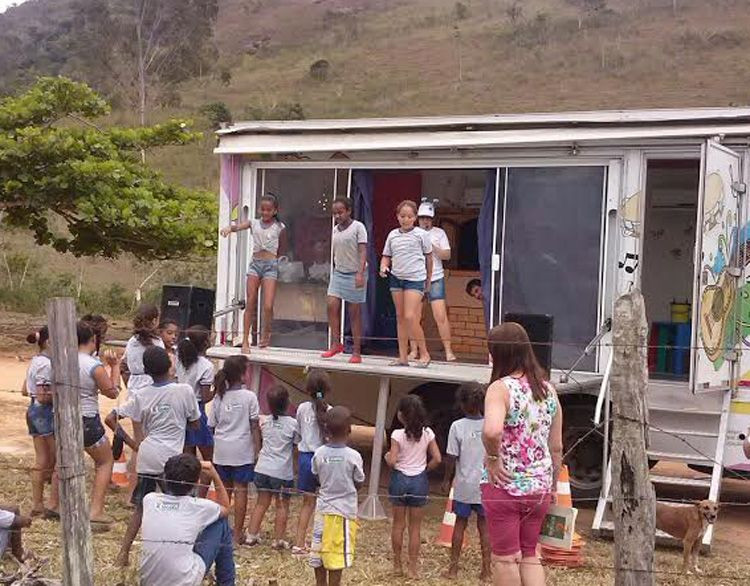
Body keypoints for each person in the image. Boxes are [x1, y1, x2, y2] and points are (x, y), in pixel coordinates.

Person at [481, 322, 563, 586]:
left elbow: (492, 431)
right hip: (538, 486)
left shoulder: (500, 388)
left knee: (505, 558)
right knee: (530, 554)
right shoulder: (548, 390)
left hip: (504, 484)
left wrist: (493, 458)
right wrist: (551, 486)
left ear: (501, 353)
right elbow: (557, 445)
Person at [108, 346, 201, 567]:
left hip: (149, 454)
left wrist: (134, 444)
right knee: (184, 504)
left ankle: (124, 553)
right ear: (170, 367)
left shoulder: (142, 395)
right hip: (174, 459)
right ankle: (186, 551)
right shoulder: (184, 391)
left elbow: (111, 418)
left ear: (147, 371)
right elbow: (195, 423)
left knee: (142, 506)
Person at [140, 454, 235, 586]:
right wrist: (214, 475)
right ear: (196, 483)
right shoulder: (199, 506)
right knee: (221, 522)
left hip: (149, 580)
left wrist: (179, 469)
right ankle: (227, 583)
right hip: (185, 581)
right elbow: (226, 508)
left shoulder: (149, 499)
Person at [220, 192, 288, 353]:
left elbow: (283, 249)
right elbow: (239, 226)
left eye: (268, 210)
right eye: (262, 209)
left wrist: (279, 263)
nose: (265, 213)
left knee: (268, 305)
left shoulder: (280, 227)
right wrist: (229, 228)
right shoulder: (254, 223)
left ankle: (267, 332)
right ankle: (245, 340)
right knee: (250, 301)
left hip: (271, 265)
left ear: (275, 211)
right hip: (255, 265)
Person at [385, 395, 441, 578]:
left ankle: (397, 565)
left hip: (400, 479)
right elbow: (437, 459)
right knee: (415, 528)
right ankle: (413, 568)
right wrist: (424, 469)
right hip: (419, 480)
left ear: (401, 416)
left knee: (398, 525)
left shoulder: (397, 435)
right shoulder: (428, 433)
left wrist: (387, 457)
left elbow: (392, 461)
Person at [309, 406, 365, 586]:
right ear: (349, 430)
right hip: (344, 513)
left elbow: (316, 476)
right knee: (336, 557)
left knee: (319, 553)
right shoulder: (353, 456)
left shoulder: (319, 453)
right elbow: (359, 481)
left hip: (322, 511)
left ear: (326, 430)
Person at [208, 355, 261, 544]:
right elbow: (254, 426)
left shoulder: (218, 397)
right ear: (241, 374)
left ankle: (219, 531)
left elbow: (212, 425)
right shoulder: (249, 397)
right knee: (241, 491)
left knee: (224, 491)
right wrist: (258, 450)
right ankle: (237, 533)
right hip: (242, 451)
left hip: (222, 451)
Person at [441, 382, 490, 580]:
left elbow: (452, 457)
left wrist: (446, 479)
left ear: (461, 403)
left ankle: (453, 569)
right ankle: (486, 571)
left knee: (459, 524)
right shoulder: (490, 425)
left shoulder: (457, 427)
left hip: (463, 485)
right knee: (484, 527)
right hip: (486, 485)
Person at [379, 200, 433, 368]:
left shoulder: (421, 235)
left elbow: (429, 258)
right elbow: (386, 255)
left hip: (415, 279)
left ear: (415, 217)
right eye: (402, 216)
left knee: (410, 316)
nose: (405, 219)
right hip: (396, 278)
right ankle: (403, 357)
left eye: (409, 216)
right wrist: (383, 266)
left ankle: (424, 353)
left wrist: (428, 280)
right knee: (400, 317)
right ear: (397, 217)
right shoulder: (393, 235)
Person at [246, 385, 300, 549]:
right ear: (288, 402)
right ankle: (278, 539)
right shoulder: (293, 424)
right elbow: (296, 446)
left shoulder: (265, 422)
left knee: (261, 502)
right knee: (282, 504)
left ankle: (251, 535)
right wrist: (295, 469)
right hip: (281, 471)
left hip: (262, 468)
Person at [77, 322, 120, 527]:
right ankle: (96, 510)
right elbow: (112, 392)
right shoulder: (94, 366)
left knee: (64, 461)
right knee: (105, 461)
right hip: (87, 419)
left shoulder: (62, 360)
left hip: (63, 417)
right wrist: (115, 366)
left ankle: (56, 503)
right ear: (92, 340)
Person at [321, 198, 368, 364]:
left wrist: (360, 273)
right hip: (339, 273)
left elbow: (363, 251)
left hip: (356, 273)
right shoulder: (335, 230)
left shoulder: (358, 227)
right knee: (331, 305)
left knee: (354, 313)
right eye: (334, 213)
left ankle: (356, 351)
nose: (337, 216)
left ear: (349, 211)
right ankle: (336, 343)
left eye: (340, 212)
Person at [409, 199, 456, 362]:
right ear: (417, 218)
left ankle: (449, 351)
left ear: (432, 219)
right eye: (422, 217)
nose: (425, 221)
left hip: (436, 277)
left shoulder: (439, 233)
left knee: (440, 315)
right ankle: (414, 350)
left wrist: (432, 246)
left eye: (428, 218)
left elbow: (447, 255)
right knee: (414, 316)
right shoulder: (412, 232)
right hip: (416, 278)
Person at [294, 369, 332, 555]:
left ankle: (299, 543)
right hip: (323, 458)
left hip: (305, 457)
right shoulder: (330, 411)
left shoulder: (301, 408)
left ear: (308, 389)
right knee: (324, 502)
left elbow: (298, 433)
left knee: (307, 504)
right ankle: (320, 543)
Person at [22, 326, 59, 518]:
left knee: (42, 459)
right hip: (44, 411)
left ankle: (38, 503)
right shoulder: (46, 364)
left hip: (33, 409)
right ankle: (52, 503)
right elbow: (44, 396)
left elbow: (24, 389)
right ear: (49, 342)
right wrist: (62, 394)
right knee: (57, 459)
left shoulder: (35, 361)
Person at [177, 325, 215, 463]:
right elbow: (205, 397)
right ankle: (204, 484)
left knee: (187, 454)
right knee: (208, 455)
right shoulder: (206, 366)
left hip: (181, 409)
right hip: (197, 410)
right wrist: (216, 387)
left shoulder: (180, 361)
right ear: (205, 343)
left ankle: (188, 483)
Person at [125, 304, 165, 393]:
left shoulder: (132, 341)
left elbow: (125, 364)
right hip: (152, 385)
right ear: (154, 321)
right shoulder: (157, 342)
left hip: (133, 385)